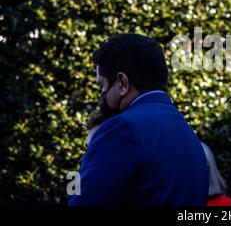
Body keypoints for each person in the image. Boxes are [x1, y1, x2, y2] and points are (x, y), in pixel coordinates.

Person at [69, 33, 208, 206]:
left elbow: (84, 201)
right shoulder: (185, 131)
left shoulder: (124, 128)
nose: (101, 94)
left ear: (122, 83)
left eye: (102, 85)